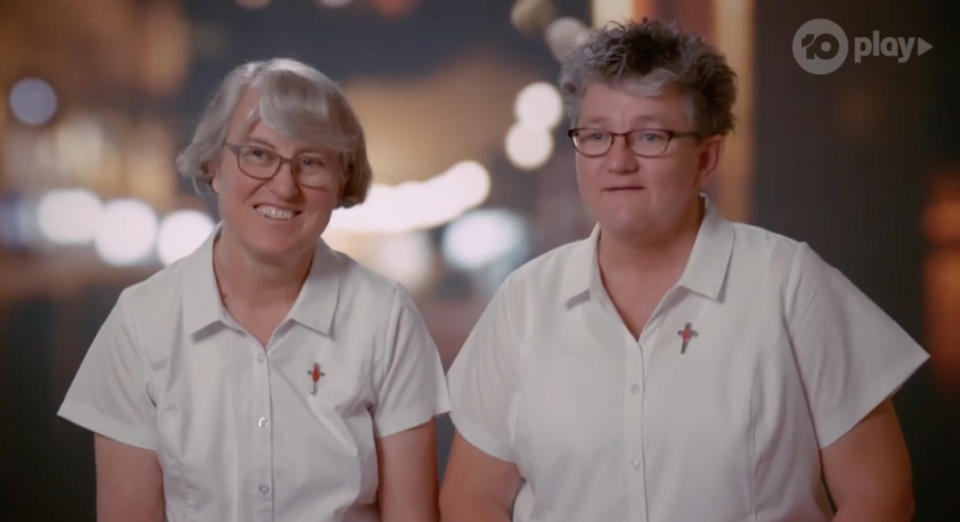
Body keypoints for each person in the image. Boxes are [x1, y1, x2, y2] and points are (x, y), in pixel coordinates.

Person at [440, 19, 928, 522]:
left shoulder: (786, 281)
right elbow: (473, 499)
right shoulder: (525, 300)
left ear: (707, 157)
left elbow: (879, 496)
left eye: (650, 136)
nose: (618, 160)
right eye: (597, 135)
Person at [58, 58, 449, 522]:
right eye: (259, 154)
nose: (284, 186)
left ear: (342, 180)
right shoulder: (141, 320)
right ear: (213, 165)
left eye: (311, 161)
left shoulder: (386, 317)